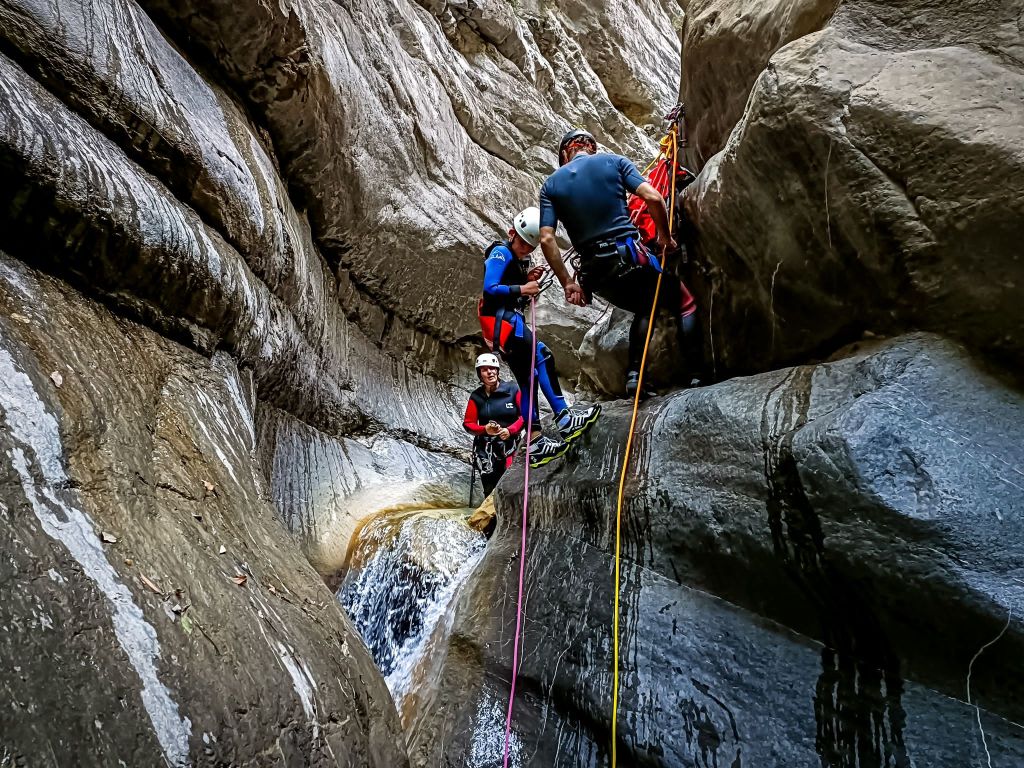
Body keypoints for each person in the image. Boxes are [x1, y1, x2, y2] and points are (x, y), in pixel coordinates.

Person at [537, 128, 704, 397]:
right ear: (591, 147)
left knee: (646, 307)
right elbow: (653, 197)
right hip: (628, 259)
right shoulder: (615, 162)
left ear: (567, 152)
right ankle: (698, 374)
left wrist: (568, 283)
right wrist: (664, 238)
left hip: (595, 277)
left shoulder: (551, 185)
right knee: (684, 303)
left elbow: (546, 239)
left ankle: (634, 377)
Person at [478, 207, 601, 468]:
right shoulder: (501, 252)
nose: (525, 249)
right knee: (538, 363)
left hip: (508, 327)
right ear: (512, 234)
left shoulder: (515, 258)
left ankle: (538, 440)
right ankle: (562, 422)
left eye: (530, 246)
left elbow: (508, 291)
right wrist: (523, 286)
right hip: (508, 327)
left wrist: (526, 279)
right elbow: (490, 289)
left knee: (530, 376)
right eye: (522, 243)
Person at [463, 353, 524, 497]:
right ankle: (492, 516)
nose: (490, 372)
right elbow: (468, 424)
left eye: (492, 368)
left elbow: (525, 416)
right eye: (485, 369)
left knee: (510, 483)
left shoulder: (512, 389)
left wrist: (510, 430)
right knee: (489, 487)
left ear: (497, 370)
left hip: (510, 445)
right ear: (480, 374)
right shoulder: (477, 396)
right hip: (486, 448)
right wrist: (485, 429)